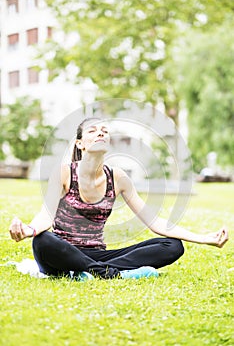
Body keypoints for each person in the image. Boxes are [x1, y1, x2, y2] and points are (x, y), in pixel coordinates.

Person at [9, 117, 228, 280]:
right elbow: (46, 215)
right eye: (93, 131)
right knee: (43, 241)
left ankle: (91, 271)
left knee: (172, 246)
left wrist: (204, 238)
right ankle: (112, 274)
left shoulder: (118, 178)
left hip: (99, 254)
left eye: (105, 131)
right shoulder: (64, 173)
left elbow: (155, 222)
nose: (101, 134)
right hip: (63, 253)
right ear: (80, 144)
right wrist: (29, 230)